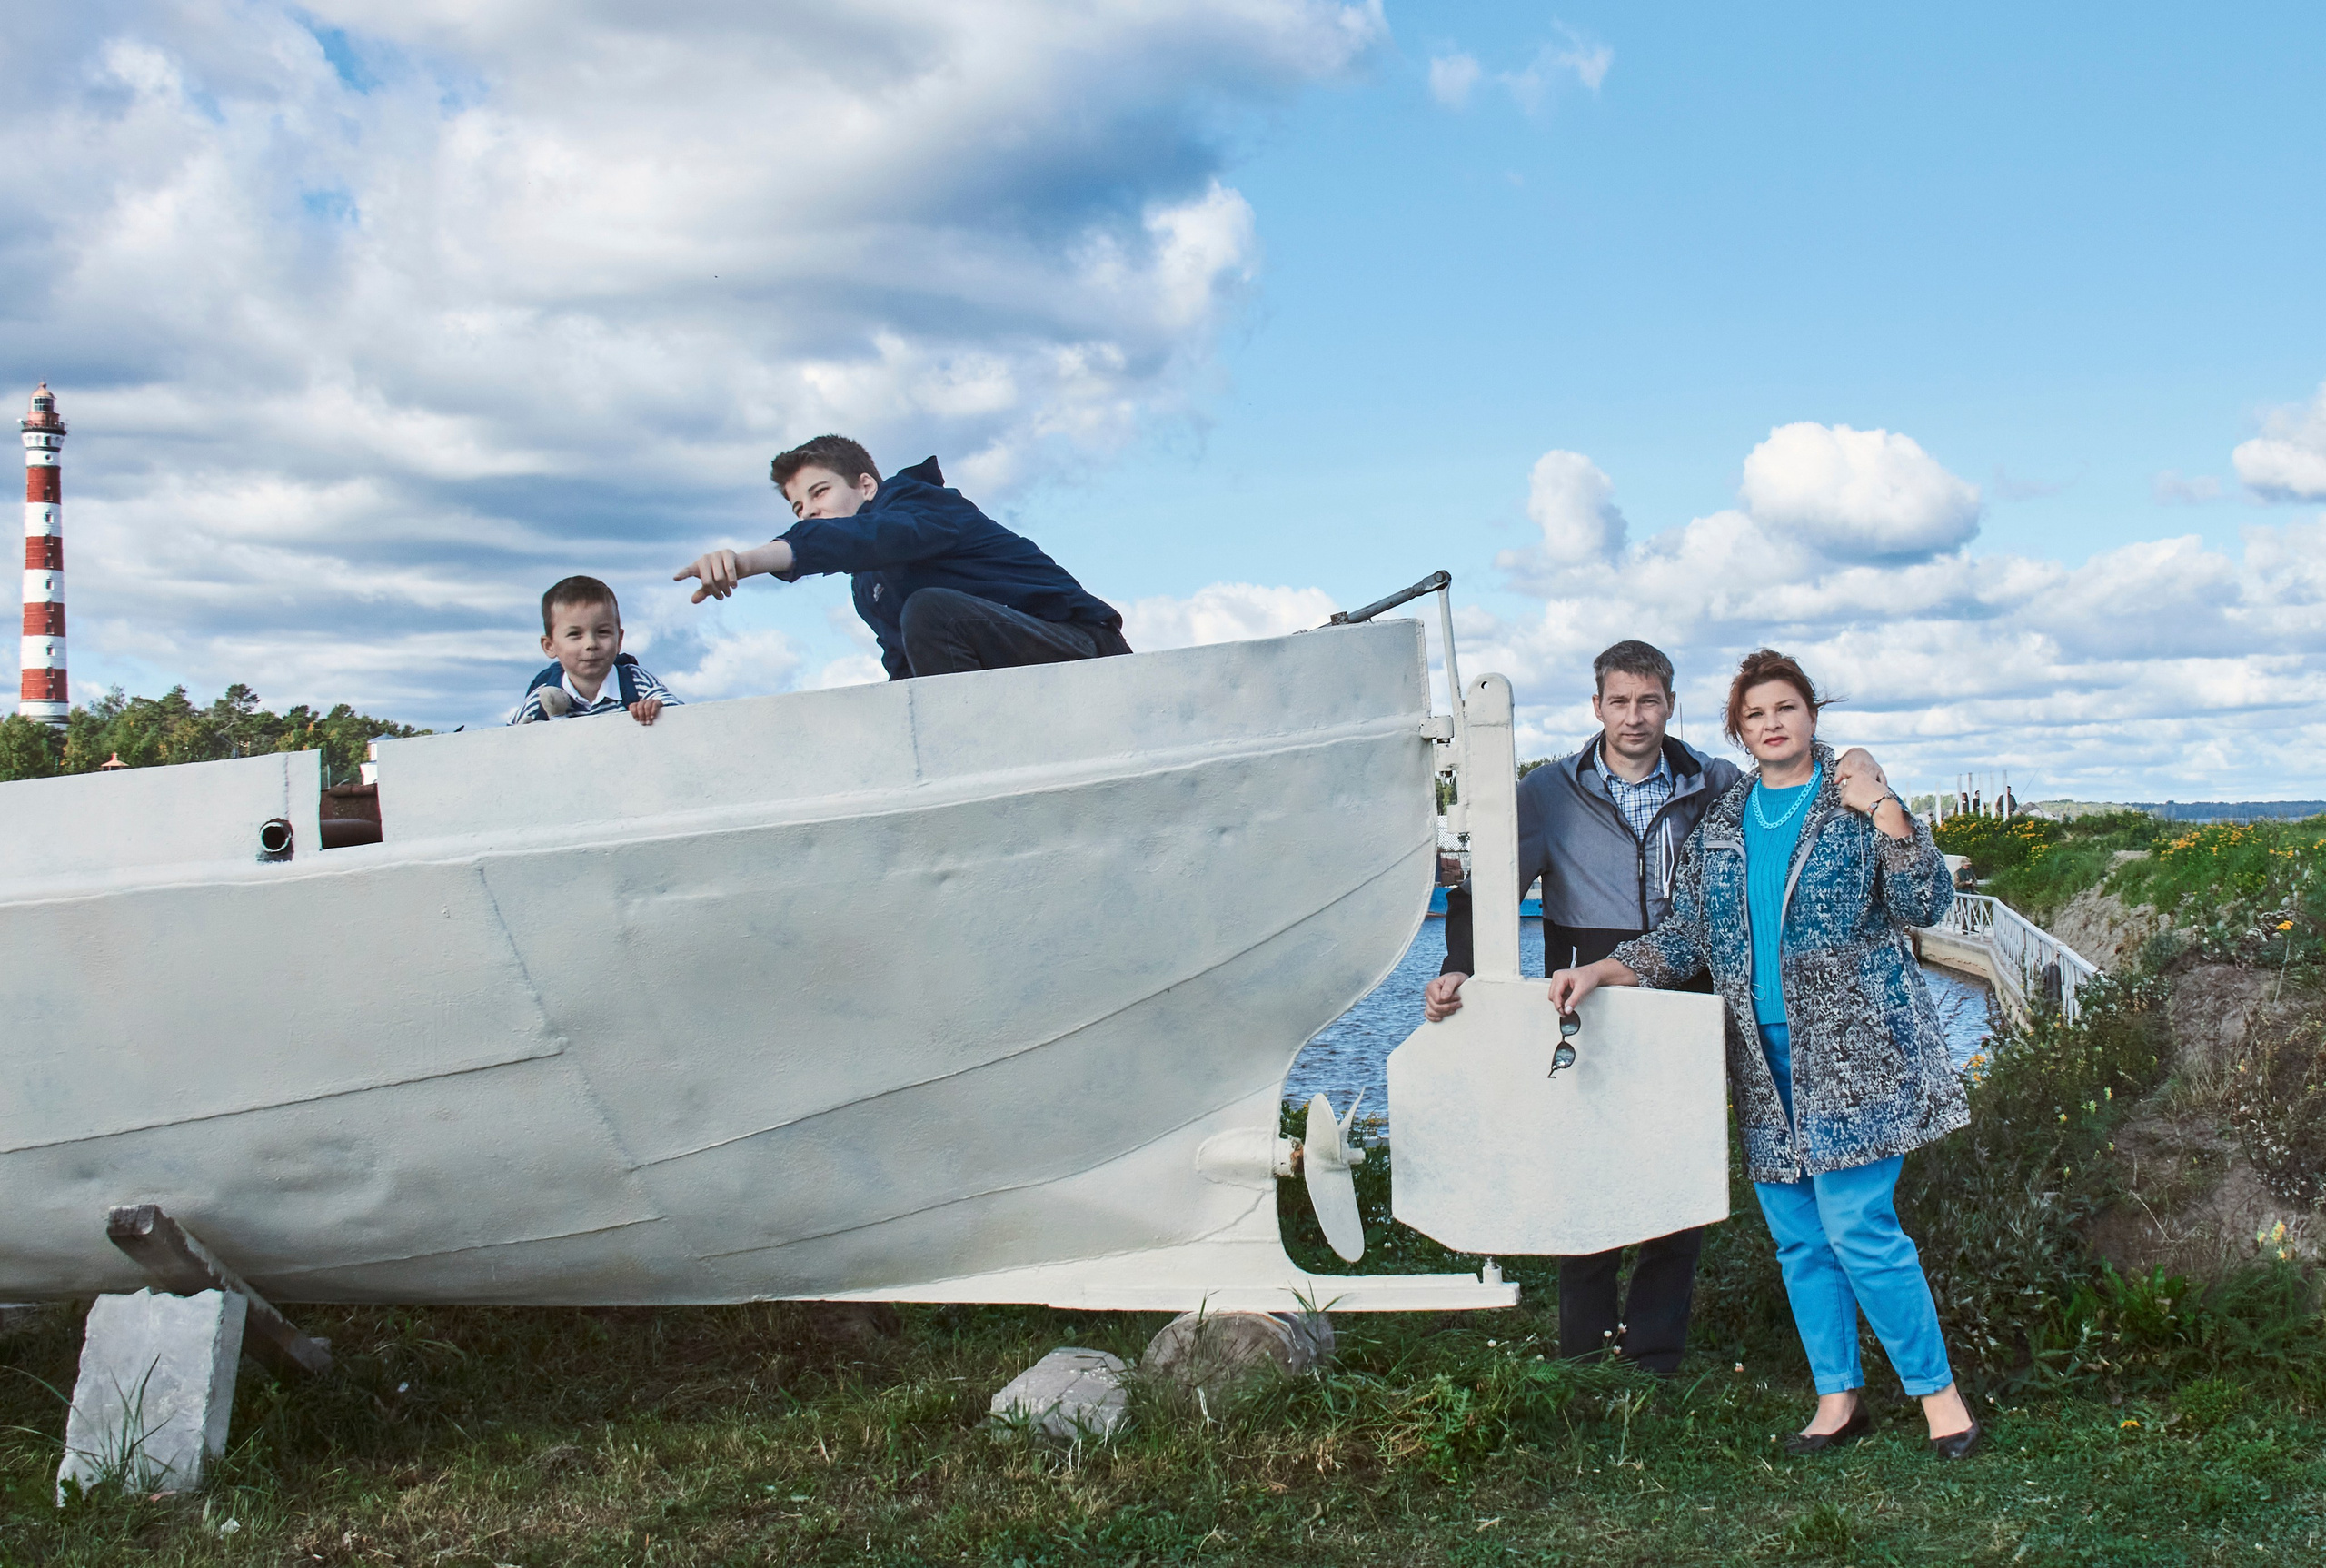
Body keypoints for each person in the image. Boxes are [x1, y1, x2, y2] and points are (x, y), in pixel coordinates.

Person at [1547, 649, 1981, 1460]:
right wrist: (1606, 968)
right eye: (1755, 715)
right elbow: (1689, 936)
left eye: (1785, 708)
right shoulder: (1722, 820)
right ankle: (1836, 1398)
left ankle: (1941, 1401)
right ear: (1738, 731)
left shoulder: (1852, 799)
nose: (1772, 724)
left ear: (1811, 715)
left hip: (1856, 1054)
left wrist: (1885, 806)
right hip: (1762, 1057)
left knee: (1860, 1227)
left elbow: (1925, 901)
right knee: (1799, 1238)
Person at [1421, 640, 1743, 1375]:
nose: (1635, 716)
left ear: (1670, 703)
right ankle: (1585, 1352)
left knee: (1677, 1165)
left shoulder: (1714, 783)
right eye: (1620, 701)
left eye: (1650, 700)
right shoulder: (1547, 791)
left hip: (1684, 987)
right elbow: (1487, 891)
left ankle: (1656, 1353)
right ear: (1596, 707)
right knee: (1583, 1162)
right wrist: (1460, 968)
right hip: (1580, 992)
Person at [672, 435, 1130, 680]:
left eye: (819, 493)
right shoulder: (868, 587)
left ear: (866, 486)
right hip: (1013, 670)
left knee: (932, 610)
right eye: (798, 509)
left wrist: (748, 561)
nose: (810, 512)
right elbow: (906, 667)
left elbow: (866, 537)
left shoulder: (922, 505)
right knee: (920, 628)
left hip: (1082, 648)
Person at [512, 575, 680, 726]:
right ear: (550, 646)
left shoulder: (636, 682)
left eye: (603, 632)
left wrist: (658, 708)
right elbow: (505, 743)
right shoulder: (541, 699)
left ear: (619, 640)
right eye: (575, 634)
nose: (591, 644)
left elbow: (683, 716)